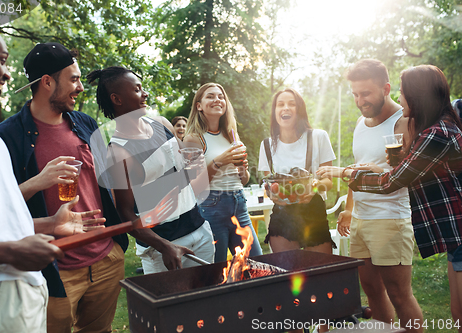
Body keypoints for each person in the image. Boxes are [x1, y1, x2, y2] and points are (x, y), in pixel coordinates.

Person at [0, 15, 104, 332]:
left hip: (19, 298)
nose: (7, 72)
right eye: (0, 59)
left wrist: (50, 224)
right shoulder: (4, 133)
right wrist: (11, 251)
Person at [0, 43, 128, 333]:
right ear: (47, 82)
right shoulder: (5, 137)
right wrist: (38, 181)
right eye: (74, 79)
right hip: (54, 270)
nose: (80, 87)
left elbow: (107, 182)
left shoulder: (86, 124)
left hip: (106, 260)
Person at [319, 65, 462, 329]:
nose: (360, 101)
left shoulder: (419, 126)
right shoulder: (362, 123)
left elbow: (397, 179)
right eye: (355, 94)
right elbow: (377, 167)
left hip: (391, 218)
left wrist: (344, 172)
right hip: (363, 218)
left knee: (401, 294)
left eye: (366, 93)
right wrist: (351, 206)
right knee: (372, 291)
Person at [86, 66, 214, 273]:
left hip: (200, 232)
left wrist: (195, 165)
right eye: (137, 90)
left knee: (209, 300)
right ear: (117, 99)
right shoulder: (118, 153)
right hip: (163, 248)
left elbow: (185, 167)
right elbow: (125, 213)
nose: (145, 93)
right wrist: (164, 246)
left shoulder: (162, 123)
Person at [184, 83, 263, 263]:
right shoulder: (194, 138)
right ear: (199, 105)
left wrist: (242, 168)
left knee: (257, 265)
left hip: (239, 204)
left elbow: (243, 180)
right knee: (217, 271)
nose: (217, 100)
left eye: (221, 96)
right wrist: (220, 161)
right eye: (210, 96)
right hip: (211, 208)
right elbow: (194, 186)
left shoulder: (231, 135)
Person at [258, 88, 335, 257]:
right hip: (282, 215)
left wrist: (315, 187)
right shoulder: (266, 146)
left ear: (299, 110)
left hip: (313, 213)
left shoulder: (318, 137)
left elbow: (329, 181)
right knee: (288, 274)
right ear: (275, 111)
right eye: (280, 104)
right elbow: (267, 184)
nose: (285, 108)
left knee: (319, 271)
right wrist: (273, 195)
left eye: (291, 104)